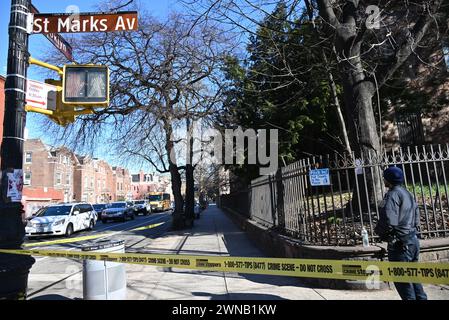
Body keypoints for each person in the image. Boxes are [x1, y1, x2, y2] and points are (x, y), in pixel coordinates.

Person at [375, 167, 427, 300]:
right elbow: (416, 215)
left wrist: (379, 232)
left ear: (389, 180)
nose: (383, 179)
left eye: (384, 177)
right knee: (415, 280)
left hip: (400, 246)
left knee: (404, 285)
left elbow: (389, 220)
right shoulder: (407, 192)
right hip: (413, 241)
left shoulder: (392, 195)